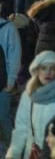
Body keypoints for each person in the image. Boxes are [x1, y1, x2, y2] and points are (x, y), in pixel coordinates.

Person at [7, 51, 55, 159]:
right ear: (37, 70)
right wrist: (13, 154)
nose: (48, 72)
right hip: (34, 153)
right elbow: (21, 128)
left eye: (52, 68)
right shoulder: (29, 95)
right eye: (43, 68)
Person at [0, 9, 21, 147]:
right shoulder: (9, 28)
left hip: (3, 84)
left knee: (3, 119)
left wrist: (11, 80)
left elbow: (14, 57)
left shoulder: (8, 28)